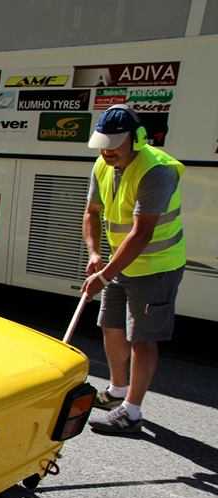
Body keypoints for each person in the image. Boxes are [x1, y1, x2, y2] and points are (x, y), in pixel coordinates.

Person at [81, 104, 185, 435]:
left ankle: (133, 412)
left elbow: (142, 233)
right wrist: (95, 253)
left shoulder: (157, 171)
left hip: (157, 266)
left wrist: (105, 274)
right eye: (103, 144)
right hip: (120, 263)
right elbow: (91, 212)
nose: (107, 151)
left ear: (136, 140)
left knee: (141, 338)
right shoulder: (102, 164)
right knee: (110, 327)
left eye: (114, 145)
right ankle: (116, 392)